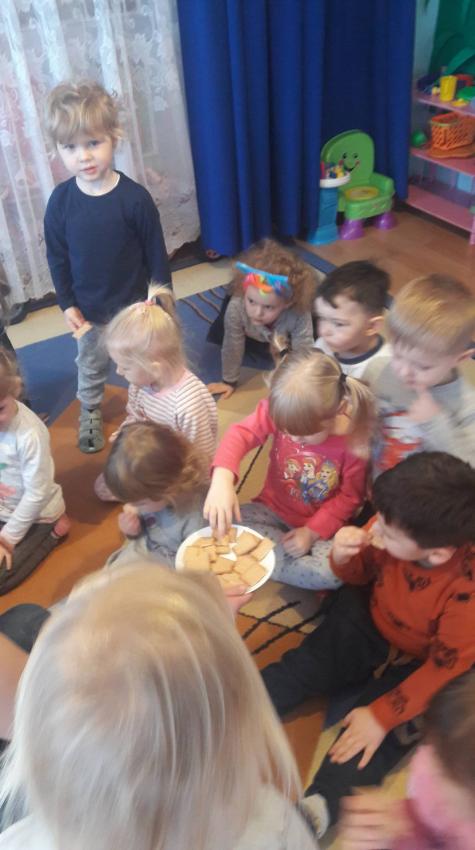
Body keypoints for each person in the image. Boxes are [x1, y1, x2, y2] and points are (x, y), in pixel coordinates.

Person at [0, 564, 318, 850]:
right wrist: (206, 640)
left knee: (26, 617)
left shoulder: (15, 839)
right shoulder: (271, 824)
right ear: (238, 742)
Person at [260, 451, 475, 838]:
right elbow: (359, 576)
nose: (376, 530)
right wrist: (343, 558)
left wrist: (382, 715)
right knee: (310, 664)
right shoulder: (390, 521)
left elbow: (447, 665)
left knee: (374, 741)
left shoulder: (466, 589)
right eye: (378, 519)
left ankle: (318, 809)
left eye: (388, 533)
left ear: (437, 553)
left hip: (435, 660)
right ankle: (239, 705)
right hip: (374, 614)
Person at [44, 80, 172, 454]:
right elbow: (57, 257)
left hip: (135, 309)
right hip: (90, 312)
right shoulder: (61, 203)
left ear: (114, 138)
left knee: (143, 363)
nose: (83, 156)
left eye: (93, 143)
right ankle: (90, 409)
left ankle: (148, 410)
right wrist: (67, 303)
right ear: (57, 149)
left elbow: (156, 254)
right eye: (70, 147)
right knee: (91, 364)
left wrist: (161, 301)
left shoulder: (135, 199)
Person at [204, 348, 374, 589]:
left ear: (338, 410)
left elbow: (350, 498)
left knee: (333, 573)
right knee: (216, 520)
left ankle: (266, 557)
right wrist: (222, 479)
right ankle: (281, 558)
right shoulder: (282, 410)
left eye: (304, 434)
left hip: (319, 525)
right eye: (286, 431)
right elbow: (240, 434)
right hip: (271, 509)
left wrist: (311, 532)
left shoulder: (354, 445)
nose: (294, 438)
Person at [95, 292, 217, 500]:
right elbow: (136, 416)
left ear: (154, 368)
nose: (118, 372)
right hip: (152, 455)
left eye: (125, 367)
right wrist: (126, 435)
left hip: (182, 470)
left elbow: (201, 458)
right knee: (106, 487)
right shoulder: (140, 384)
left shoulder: (188, 406)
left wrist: (179, 490)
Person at [339, 670, 475, 850]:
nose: (426, 765)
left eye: (446, 772)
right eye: (433, 748)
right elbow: (425, 820)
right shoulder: (435, 781)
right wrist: (395, 829)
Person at [364, 274, 475, 477]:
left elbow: (469, 471)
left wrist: (435, 422)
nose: (404, 371)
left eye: (423, 367)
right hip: (374, 479)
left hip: (419, 494)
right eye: (398, 355)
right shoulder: (378, 369)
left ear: (460, 358)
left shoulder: (467, 406)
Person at [207, 239, 316, 399]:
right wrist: (229, 381)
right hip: (249, 331)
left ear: (287, 303)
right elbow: (232, 344)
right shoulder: (237, 306)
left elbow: (304, 347)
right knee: (226, 326)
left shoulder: (298, 313)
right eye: (251, 301)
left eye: (268, 307)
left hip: (281, 336)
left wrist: (300, 383)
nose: (257, 313)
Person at [0, 349, 70, 594]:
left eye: (0, 409)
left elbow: (36, 494)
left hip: (38, 514)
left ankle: (55, 532)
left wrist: (7, 538)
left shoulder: (29, 435)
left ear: (15, 389)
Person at [103, 422, 208, 568]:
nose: (130, 506)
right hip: (147, 546)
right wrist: (132, 530)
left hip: (173, 565)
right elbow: (144, 529)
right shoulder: (151, 494)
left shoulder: (197, 517)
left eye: (139, 503)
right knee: (109, 575)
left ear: (167, 490)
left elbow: (196, 565)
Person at [313, 260, 391, 379]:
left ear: (372, 326)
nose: (324, 331)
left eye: (338, 324)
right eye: (321, 318)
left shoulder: (385, 370)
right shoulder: (323, 346)